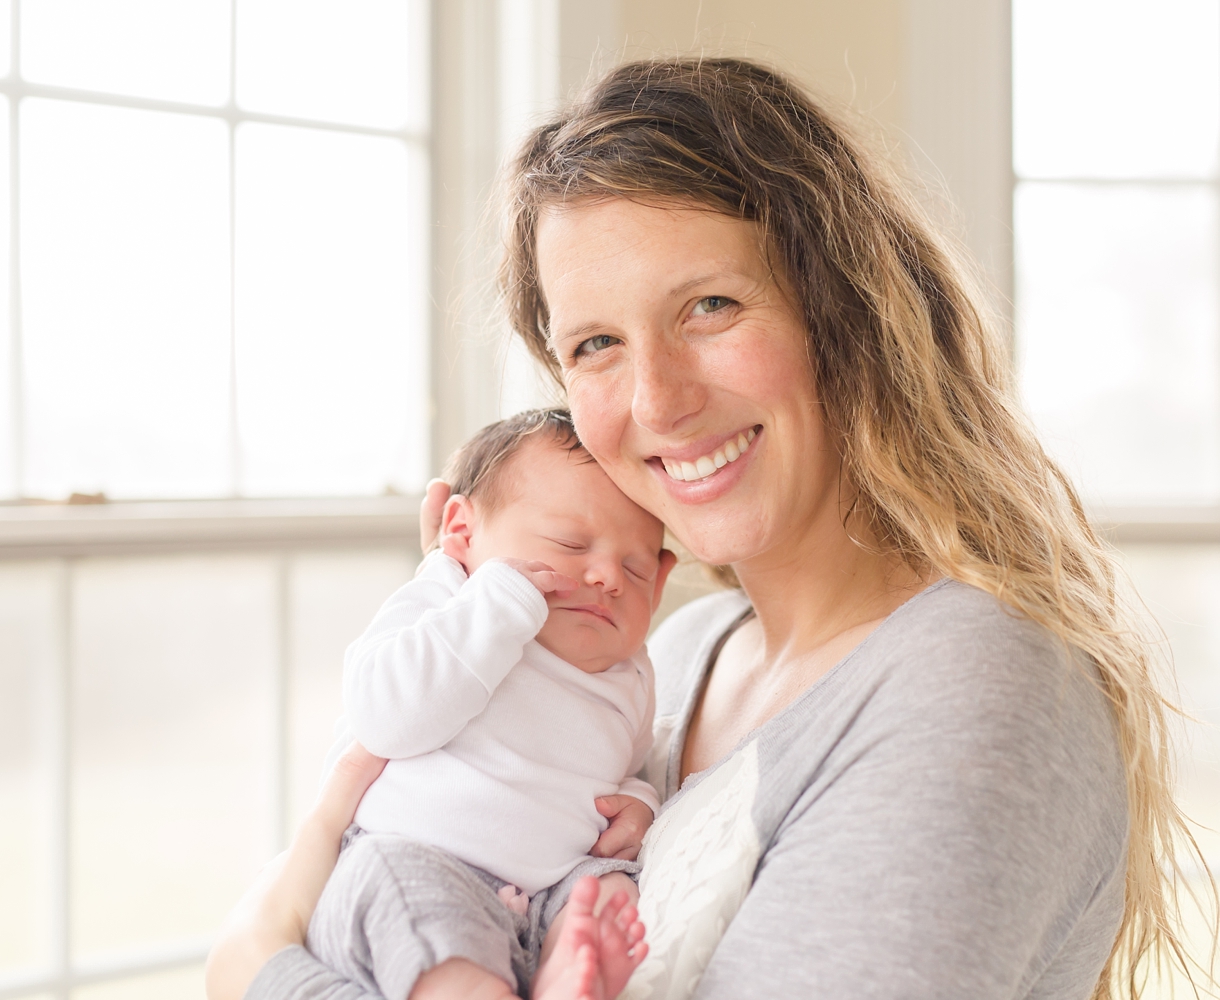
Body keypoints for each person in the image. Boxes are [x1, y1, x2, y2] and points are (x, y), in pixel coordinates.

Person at [209, 57, 1216, 1000]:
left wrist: (265, 970)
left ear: (844, 313)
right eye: (596, 343)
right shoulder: (672, 660)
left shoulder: (970, 690)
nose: (659, 398)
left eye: (711, 307)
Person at [309, 409, 670, 1000]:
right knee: (393, 889)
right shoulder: (443, 598)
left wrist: (638, 804)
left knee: (610, 892)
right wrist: (497, 602)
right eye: (570, 544)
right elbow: (381, 719)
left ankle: (564, 970)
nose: (607, 576)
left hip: (550, 889)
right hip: (418, 858)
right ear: (461, 531)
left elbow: (627, 767)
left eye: (636, 568)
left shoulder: (631, 671)